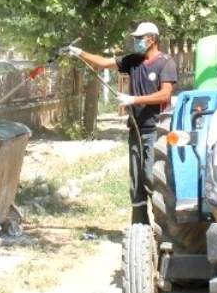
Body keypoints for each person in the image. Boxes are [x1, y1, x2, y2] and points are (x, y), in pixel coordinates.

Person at [61, 22, 177, 225]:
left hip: (155, 129)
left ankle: (163, 225)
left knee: (151, 177)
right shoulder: (133, 61)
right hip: (136, 127)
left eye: (140, 38)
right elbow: (103, 63)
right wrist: (79, 52)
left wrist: (134, 100)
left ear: (153, 39)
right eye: (136, 38)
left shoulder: (165, 62)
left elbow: (165, 94)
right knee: (136, 181)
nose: (137, 42)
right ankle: (140, 225)